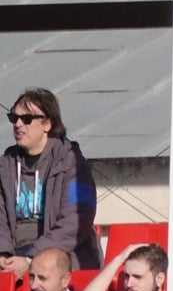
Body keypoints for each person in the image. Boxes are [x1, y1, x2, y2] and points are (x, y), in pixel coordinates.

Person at [0, 88, 100, 272]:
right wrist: (3, 255)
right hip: (13, 254)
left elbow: (76, 220)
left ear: (47, 124)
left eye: (27, 119)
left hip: (63, 254)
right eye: (14, 118)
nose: (18, 124)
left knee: (49, 269)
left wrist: (31, 260)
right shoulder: (5, 165)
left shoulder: (73, 164)